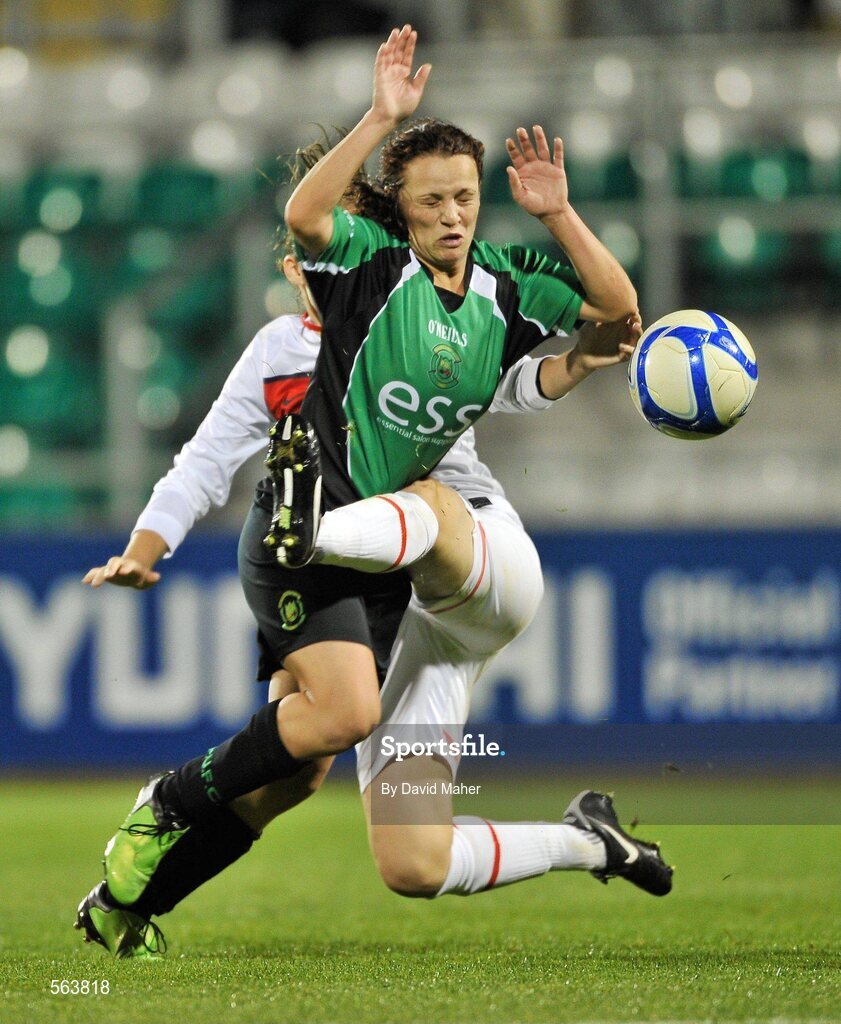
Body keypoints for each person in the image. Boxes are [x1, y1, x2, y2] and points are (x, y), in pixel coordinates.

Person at [75, 27, 669, 957]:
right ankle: (160, 821)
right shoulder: (328, 310)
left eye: (464, 200)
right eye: (432, 200)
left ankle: (124, 908)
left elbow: (605, 324)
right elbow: (205, 453)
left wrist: (559, 226)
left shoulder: (487, 309)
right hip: (310, 532)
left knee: (336, 802)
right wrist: (145, 548)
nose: (453, 215)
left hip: (401, 562)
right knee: (335, 720)